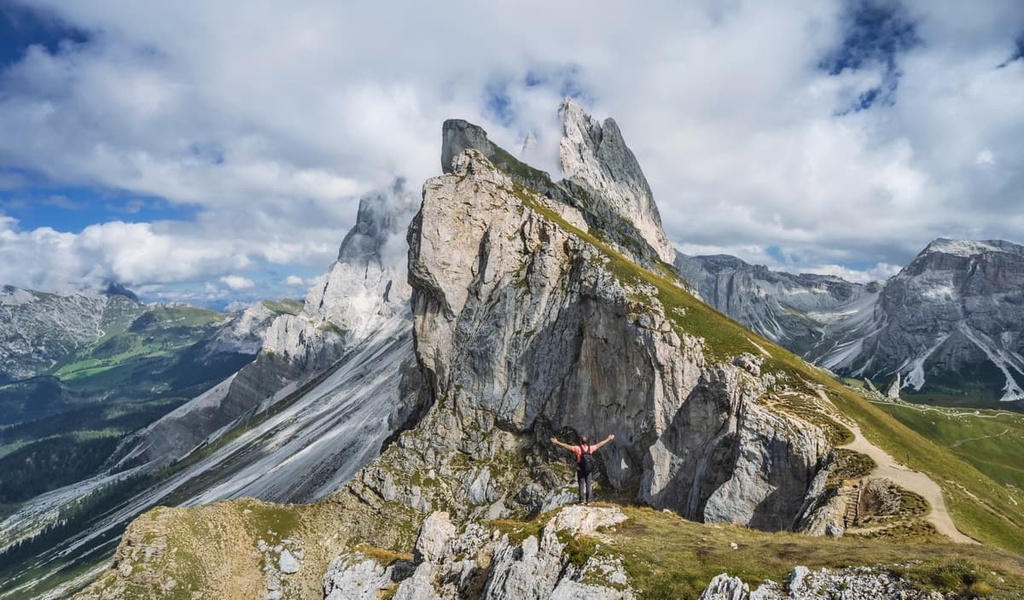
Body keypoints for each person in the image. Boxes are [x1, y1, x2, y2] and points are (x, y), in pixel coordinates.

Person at [550, 433, 615, 504]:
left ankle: (581, 501)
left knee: (581, 485)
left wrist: (557, 442)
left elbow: (567, 446)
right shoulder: (591, 448)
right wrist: (608, 439)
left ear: (581, 442)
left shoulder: (577, 449)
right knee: (588, 485)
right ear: (587, 442)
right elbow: (600, 444)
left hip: (580, 470)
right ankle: (589, 501)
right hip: (589, 470)